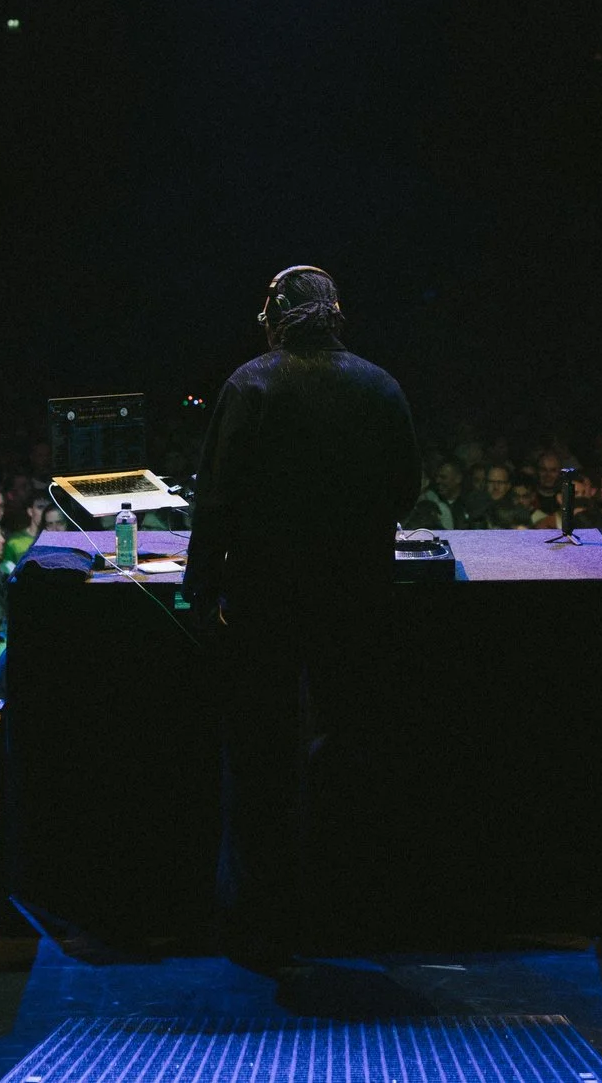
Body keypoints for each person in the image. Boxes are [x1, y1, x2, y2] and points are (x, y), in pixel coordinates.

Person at [183, 265, 420, 968]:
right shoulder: (380, 385)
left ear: (276, 315)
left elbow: (216, 503)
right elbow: (406, 490)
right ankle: (347, 907)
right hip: (357, 597)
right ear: (335, 314)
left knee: (261, 755)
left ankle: (259, 920)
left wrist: (201, 588)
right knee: (349, 746)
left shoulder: (250, 384)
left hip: (265, 600)